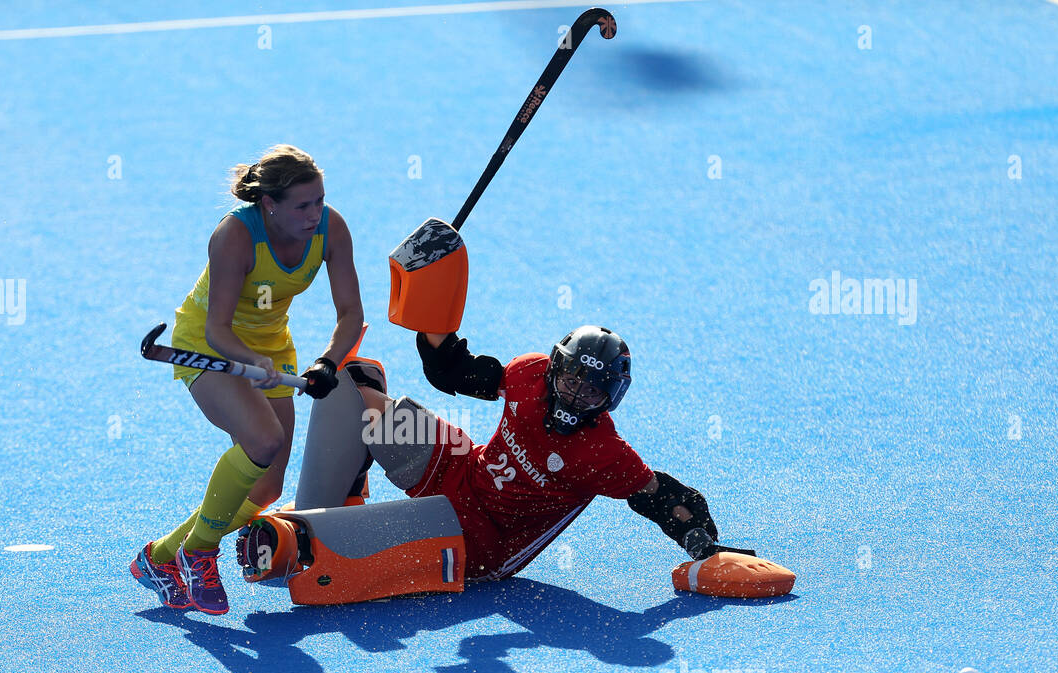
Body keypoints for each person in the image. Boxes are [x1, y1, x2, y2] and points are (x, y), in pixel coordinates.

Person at [274, 324, 730, 584]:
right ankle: (341, 501)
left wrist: (703, 546)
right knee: (353, 385)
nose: (574, 396)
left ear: (610, 399)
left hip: (484, 542)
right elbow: (455, 372)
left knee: (332, 547)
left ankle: (310, 539)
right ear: (553, 369)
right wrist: (431, 311)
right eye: (570, 380)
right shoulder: (528, 375)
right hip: (459, 468)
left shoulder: (604, 454)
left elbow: (659, 497)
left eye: (591, 391)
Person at [130, 145, 364, 614]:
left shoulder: (330, 228)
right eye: (303, 205)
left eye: (319, 200)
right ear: (269, 205)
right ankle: (199, 553)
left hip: (272, 349)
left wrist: (326, 364)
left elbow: (351, 314)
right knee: (263, 439)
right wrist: (251, 359)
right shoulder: (235, 236)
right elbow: (217, 329)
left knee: (266, 489)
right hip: (209, 345)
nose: (315, 213)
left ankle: (158, 558)